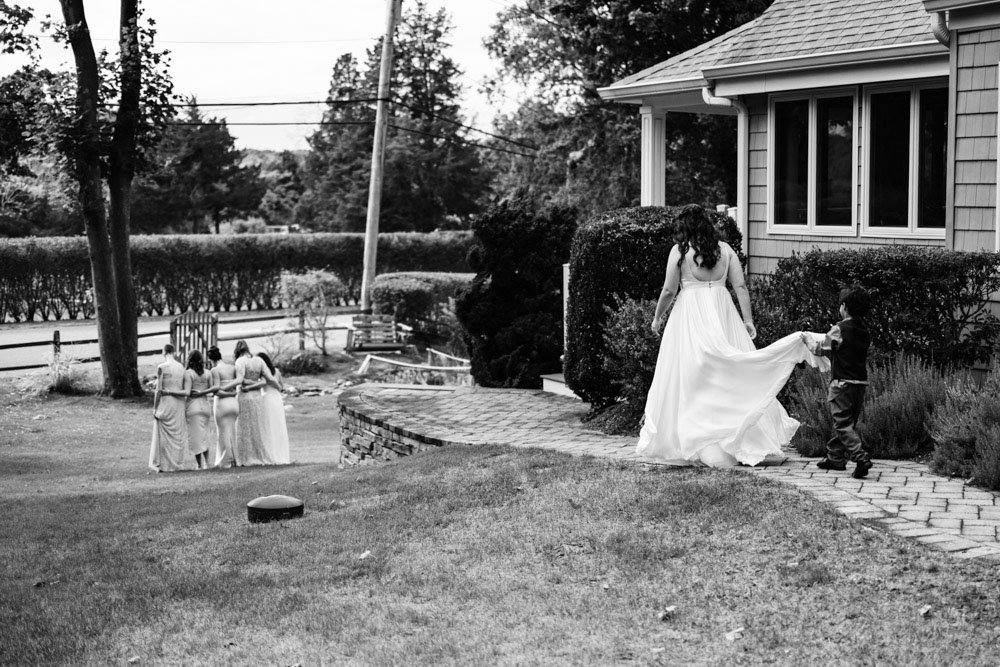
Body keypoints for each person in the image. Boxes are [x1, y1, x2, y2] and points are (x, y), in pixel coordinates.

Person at [637, 205, 828, 467]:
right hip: (723, 311)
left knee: (692, 374)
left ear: (684, 228)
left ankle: (698, 436)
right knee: (729, 369)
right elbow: (739, 285)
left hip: (690, 316)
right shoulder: (725, 250)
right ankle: (725, 435)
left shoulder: (680, 252)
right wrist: (747, 320)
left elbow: (669, 290)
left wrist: (658, 317)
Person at [800, 285, 873, 479]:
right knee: (847, 423)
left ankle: (860, 457)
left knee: (841, 424)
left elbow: (821, 349)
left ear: (845, 307)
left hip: (841, 385)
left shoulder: (839, 329)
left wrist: (806, 340)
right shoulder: (865, 331)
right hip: (860, 385)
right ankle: (835, 458)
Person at [231, 340, 278, 466]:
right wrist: (278, 386)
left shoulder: (240, 361)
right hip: (257, 398)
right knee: (258, 427)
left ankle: (246, 457)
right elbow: (269, 378)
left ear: (237, 351)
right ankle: (261, 455)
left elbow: (240, 380)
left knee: (245, 427)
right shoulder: (259, 360)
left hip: (244, 396)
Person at [149, 343, 193, 472]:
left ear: (164, 353)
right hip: (179, 402)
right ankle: (176, 463)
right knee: (177, 432)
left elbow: (158, 390)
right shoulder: (181, 367)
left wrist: (155, 407)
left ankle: (165, 464)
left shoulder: (161, 367)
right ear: (173, 352)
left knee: (164, 432)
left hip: (166, 401)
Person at [206, 345, 239, 468]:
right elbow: (236, 387)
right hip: (234, 403)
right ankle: (235, 459)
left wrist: (227, 394)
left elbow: (217, 391)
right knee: (232, 431)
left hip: (222, 404)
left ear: (211, 359)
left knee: (222, 432)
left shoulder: (215, 370)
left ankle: (225, 461)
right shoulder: (232, 367)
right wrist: (232, 394)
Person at [257, 352, 291, 465]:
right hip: (277, 398)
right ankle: (282, 455)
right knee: (279, 426)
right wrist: (276, 387)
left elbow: (262, 385)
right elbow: (281, 386)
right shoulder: (276, 371)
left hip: (266, 399)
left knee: (268, 426)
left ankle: (271, 455)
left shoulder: (262, 373)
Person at [183, 350, 213, 470]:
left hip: (193, 406)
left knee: (195, 436)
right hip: (205, 406)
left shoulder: (188, 373)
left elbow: (187, 391)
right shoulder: (207, 373)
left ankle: (199, 464)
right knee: (204, 434)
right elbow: (211, 390)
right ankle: (207, 462)